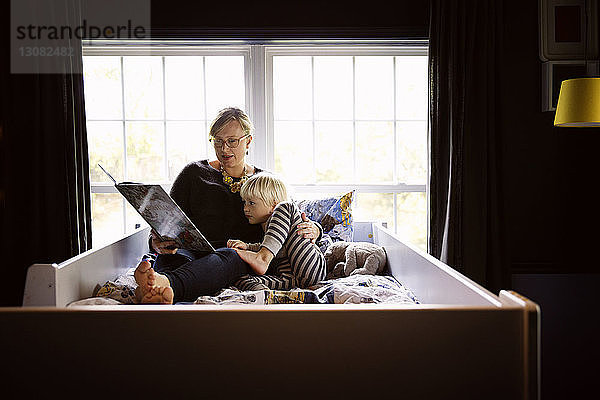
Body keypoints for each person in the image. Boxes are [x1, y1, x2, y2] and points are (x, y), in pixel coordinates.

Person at [134, 107, 322, 304]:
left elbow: (290, 215)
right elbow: (164, 221)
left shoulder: (264, 182)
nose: (224, 149)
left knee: (229, 257)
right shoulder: (193, 173)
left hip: (235, 257)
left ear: (248, 141)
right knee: (175, 256)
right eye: (218, 141)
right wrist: (156, 242)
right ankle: (152, 291)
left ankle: (165, 285)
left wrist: (315, 230)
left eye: (232, 141)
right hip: (190, 251)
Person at [227, 172, 326, 290]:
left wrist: (316, 229)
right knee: (239, 278)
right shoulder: (268, 233)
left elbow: (281, 246)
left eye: (251, 203)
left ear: (274, 205)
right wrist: (247, 247)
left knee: (287, 206)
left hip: (311, 268)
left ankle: (262, 259)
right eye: (245, 202)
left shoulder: (286, 214)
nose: (245, 208)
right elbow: (278, 248)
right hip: (291, 280)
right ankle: (267, 297)